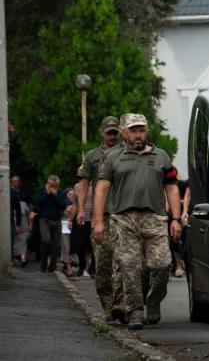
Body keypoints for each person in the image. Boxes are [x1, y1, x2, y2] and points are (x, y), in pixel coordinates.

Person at [92, 113, 182, 330]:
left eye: (141, 130)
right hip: (124, 219)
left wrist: (176, 219)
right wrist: (98, 221)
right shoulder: (113, 157)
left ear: (147, 131)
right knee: (129, 266)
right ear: (124, 132)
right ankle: (135, 311)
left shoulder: (161, 156)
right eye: (133, 130)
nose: (138, 134)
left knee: (161, 265)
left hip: (155, 218)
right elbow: (102, 189)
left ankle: (153, 300)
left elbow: (171, 187)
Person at [76, 115, 123, 319]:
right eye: (109, 132)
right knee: (103, 264)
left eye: (115, 132)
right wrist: (81, 210)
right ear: (102, 132)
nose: (112, 136)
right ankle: (108, 305)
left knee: (125, 262)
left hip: (123, 214)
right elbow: (84, 184)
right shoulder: (93, 156)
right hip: (101, 215)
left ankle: (123, 304)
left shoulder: (127, 153)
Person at [34, 175, 68, 272]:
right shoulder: (41, 190)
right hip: (44, 219)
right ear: (48, 183)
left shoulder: (61, 192)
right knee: (46, 241)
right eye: (51, 185)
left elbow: (63, 206)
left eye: (55, 185)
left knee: (56, 245)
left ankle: (52, 266)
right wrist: (48, 194)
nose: (53, 187)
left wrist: (55, 195)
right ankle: (43, 263)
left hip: (57, 220)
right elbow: (38, 203)